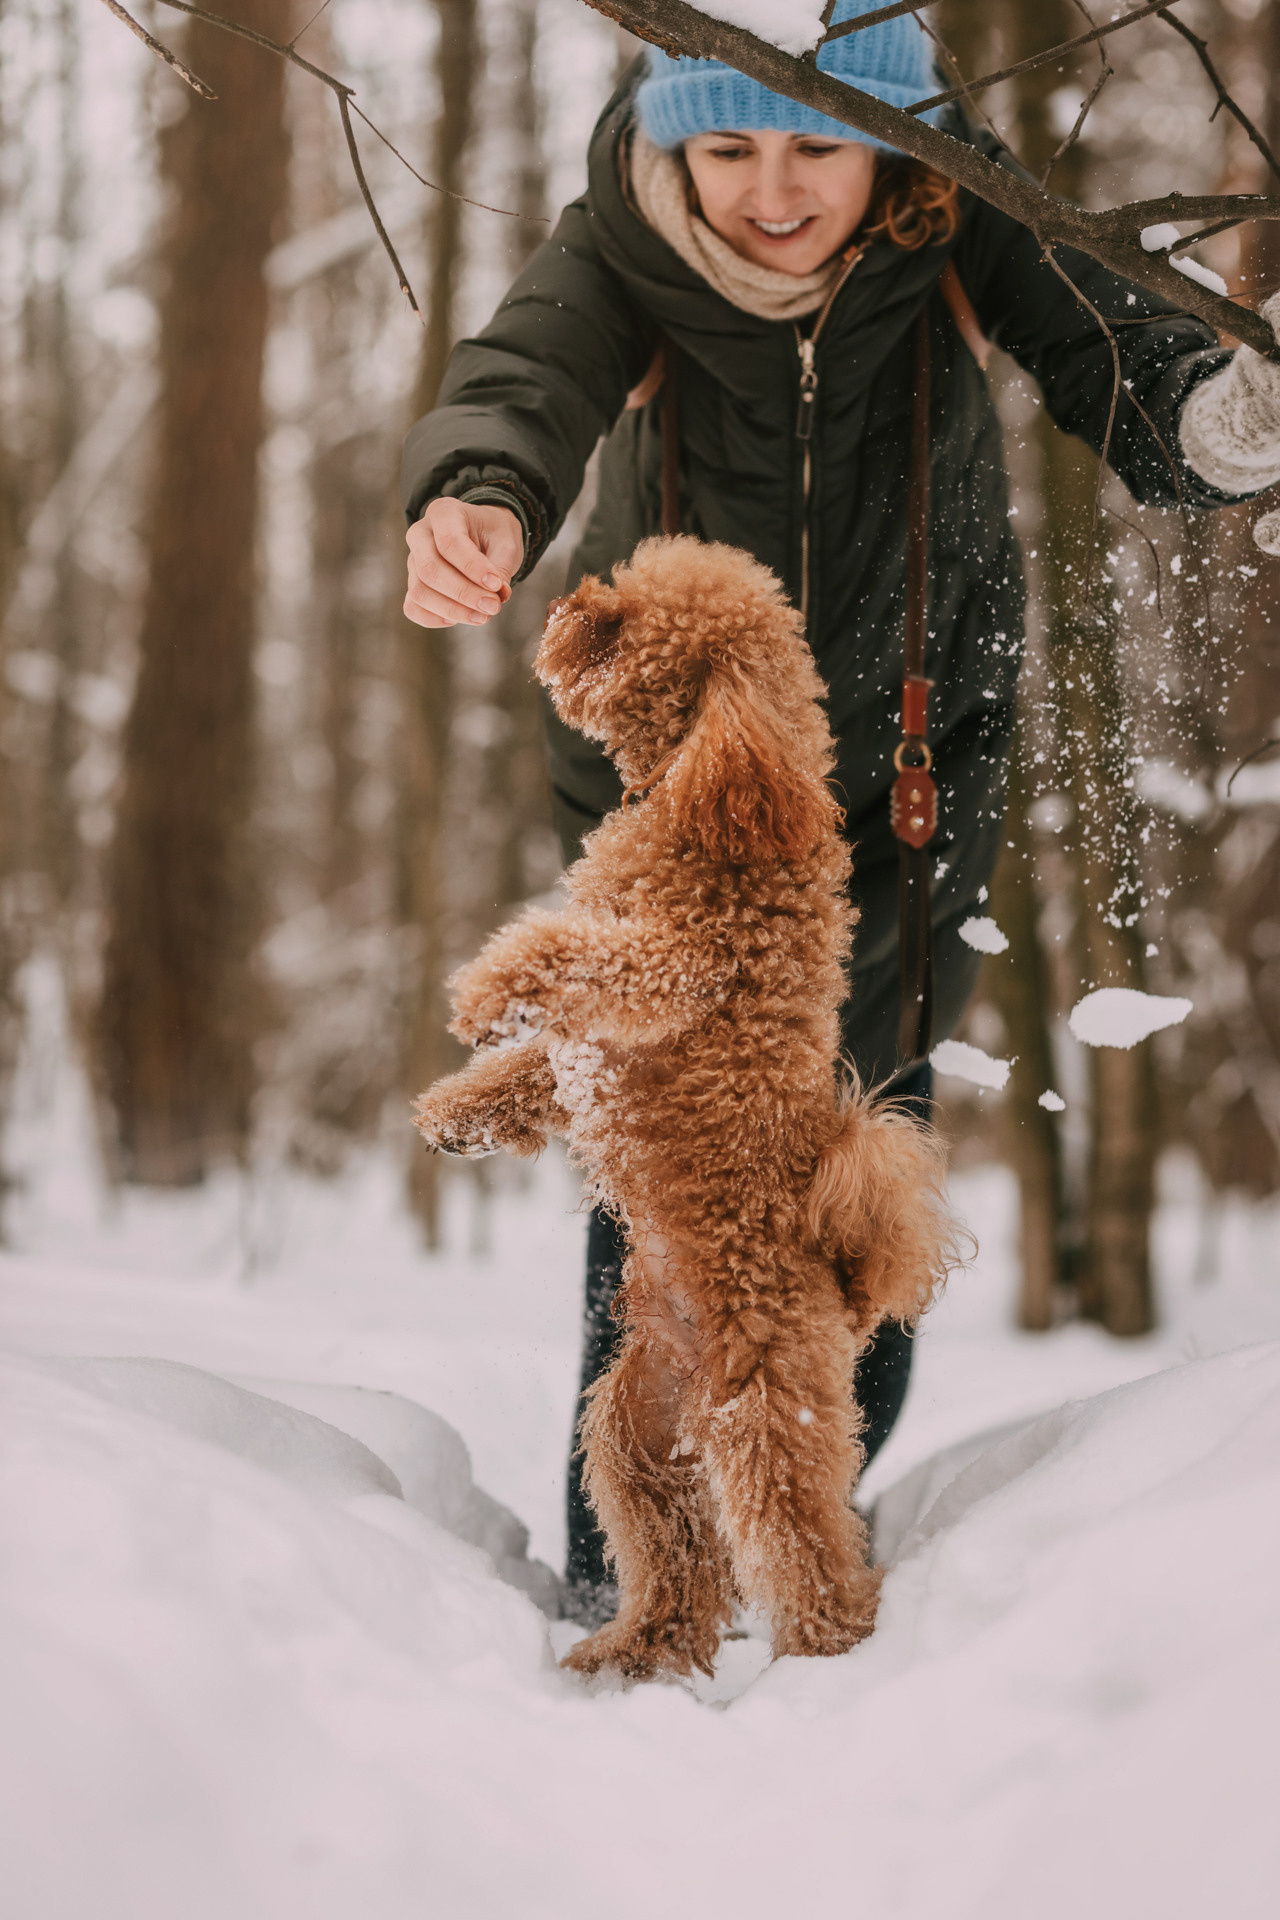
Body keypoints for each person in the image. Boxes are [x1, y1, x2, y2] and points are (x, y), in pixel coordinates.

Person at [401, 0, 1280, 1622]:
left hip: (905, 788)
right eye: (729, 146)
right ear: (673, 141)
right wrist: (480, 497)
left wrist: (1229, 418)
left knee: (857, 1152)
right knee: (668, 1161)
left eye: (817, 143)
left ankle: (812, 1537)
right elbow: (524, 378)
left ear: (890, 137)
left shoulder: (960, 212)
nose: (774, 191)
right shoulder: (626, 239)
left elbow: (1114, 353)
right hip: (668, 802)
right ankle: (630, 1566)